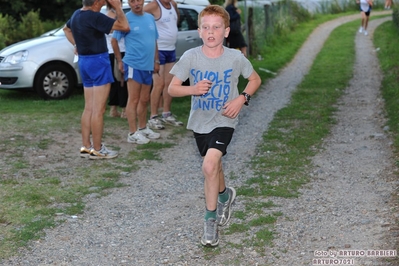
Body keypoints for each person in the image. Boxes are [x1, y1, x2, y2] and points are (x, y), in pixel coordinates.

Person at [168, 5, 261, 246]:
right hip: (200, 123)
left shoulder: (235, 58)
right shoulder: (191, 57)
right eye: (206, 27)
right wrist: (193, 89)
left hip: (225, 119)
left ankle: (210, 223)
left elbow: (254, 80)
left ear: (226, 31)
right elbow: (172, 88)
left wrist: (241, 99)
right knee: (214, 165)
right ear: (199, 31)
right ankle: (224, 195)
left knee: (209, 165)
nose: (211, 32)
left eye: (216, 27)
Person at [63, 0, 129, 159]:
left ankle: (86, 146)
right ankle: (98, 149)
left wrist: (77, 44)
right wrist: (118, 7)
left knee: (89, 108)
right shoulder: (95, 16)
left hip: (84, 61)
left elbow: (67, 29)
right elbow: (125, 26)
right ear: (97, 2)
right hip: (98, 61)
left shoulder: (77, 14)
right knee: (98, 110)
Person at [112, 0, 161, 144]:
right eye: (132, 1)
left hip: (148, 65)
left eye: (139, 0)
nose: (136, 3)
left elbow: (154, 41)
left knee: (144, 99)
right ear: (129, 3)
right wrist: (120, 61)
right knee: (133, 99)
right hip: (133, 64)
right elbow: (114, 41)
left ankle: (143, 127)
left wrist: (156, 61)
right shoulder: (125, 19)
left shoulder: (150, 18)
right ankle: (132, 133)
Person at [144, 0, 184, 130]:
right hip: (158, 50)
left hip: (171, 49)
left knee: (170, 83)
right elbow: (138, 13)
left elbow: (175, 21)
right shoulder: (154, 5)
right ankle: (153, 116)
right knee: (159, 84)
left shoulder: (173, 4)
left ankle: (166, 113)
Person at [105, 0, 128, 119]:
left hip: (112, 51)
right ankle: (124, 109)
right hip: (118, 51)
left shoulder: (108, 13)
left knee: (115, 81)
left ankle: (113, 108)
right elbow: (125, 28)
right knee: (121, 81)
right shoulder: (113, 14)